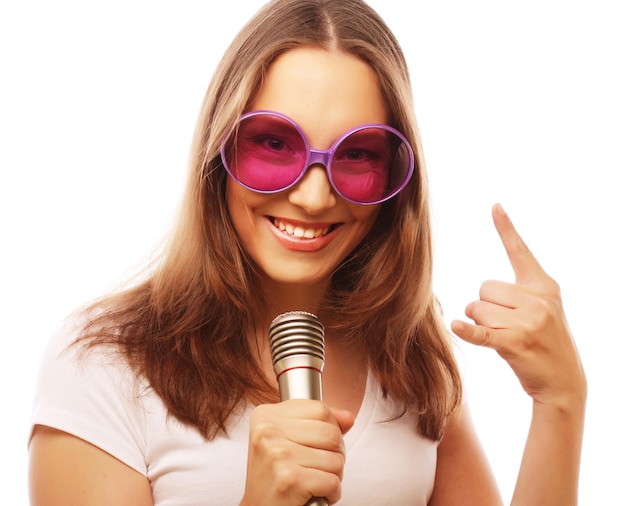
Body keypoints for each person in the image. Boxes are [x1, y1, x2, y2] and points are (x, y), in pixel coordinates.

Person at [28, 1, 586, 504]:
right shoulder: (103, 364)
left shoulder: (411, 353)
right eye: (274, 143)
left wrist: (560, 402)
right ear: (219, 148)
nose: (315, 197)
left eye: (358, 154)